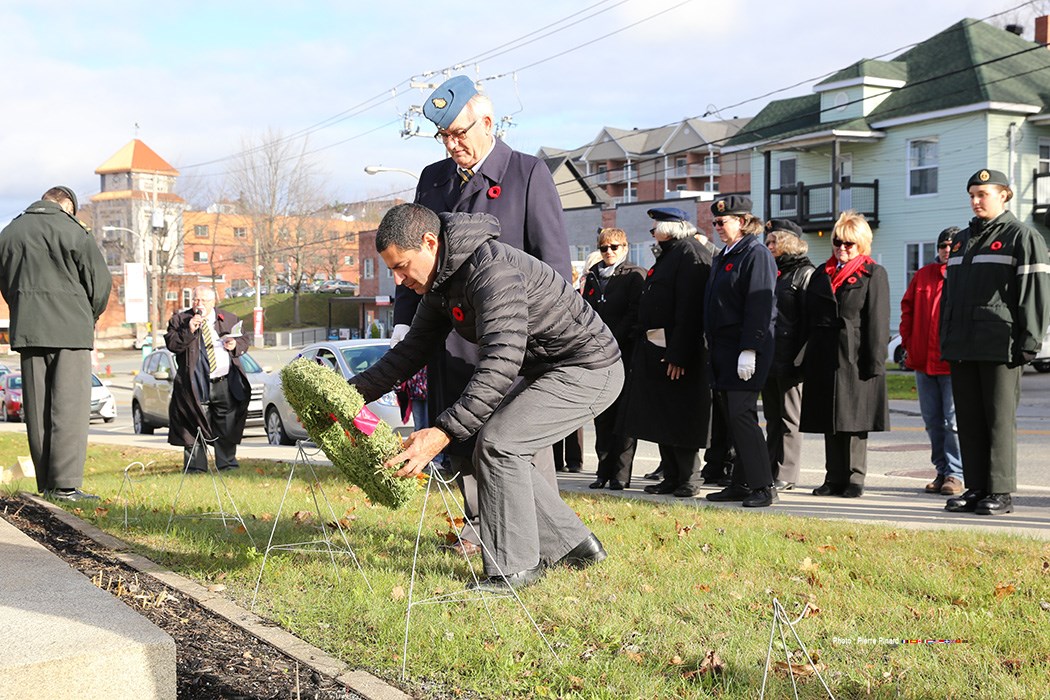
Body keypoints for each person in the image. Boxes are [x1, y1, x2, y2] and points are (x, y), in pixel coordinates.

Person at [349, 204, 621, 592]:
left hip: (591, 368)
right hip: (551, 370)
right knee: (493, 445)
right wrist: (348, 395)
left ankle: (516, 569)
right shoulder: (444, 283)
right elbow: (410, 352)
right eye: (392, 269)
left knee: (500, 444)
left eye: (402, 266)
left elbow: (500, 363)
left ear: (430, 242)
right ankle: (575, 545)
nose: (398, 278)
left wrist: (440, 433)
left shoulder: (491, 272)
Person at [393, 75, 571, 556]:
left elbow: (554, 265)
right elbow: (414, 253)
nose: (453, 145)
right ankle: (481, 528)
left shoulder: (528, 174)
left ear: (488, 122)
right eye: (444, 137)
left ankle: (545, 536)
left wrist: (540, 338)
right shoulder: (433, 179)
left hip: (511, 339)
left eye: (460, 133)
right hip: (451, 336)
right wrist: (404, 324)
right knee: (464, 437)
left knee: (517, 441)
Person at [941, 169, 1050, 516]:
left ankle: (1000, 491)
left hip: (999, 343)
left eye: (982, 194)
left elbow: (1035, 294)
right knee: (969, 419)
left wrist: (1030, 339)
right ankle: (976, 487)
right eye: (972, 194)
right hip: (963, 344)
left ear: (1004, 195)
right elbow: (950, 297)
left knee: (998, 419)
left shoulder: (1023, 236)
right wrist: (947, 337)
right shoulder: (960, 240)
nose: (975, 201)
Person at [0, 186, 111, 501]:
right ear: (67, 206)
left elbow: (6, 282)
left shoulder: (10, 232)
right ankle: (65, 485)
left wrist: (23, 306)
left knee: (37, 409)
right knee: (69, 407)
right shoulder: (73, 230)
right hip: (71, 331)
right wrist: (87, 315)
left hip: (28, 330)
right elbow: (100, 282)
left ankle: (46, 483)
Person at [620, 208, 711, 498]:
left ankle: (688, 478)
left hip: (676, 349)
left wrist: (678, 354)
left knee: (679, 416)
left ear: (671, 229)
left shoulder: (689, 253)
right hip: (656, 347)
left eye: (654, 228)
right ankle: (671, 476)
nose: (652, 233)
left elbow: (690, 309)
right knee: (663, 415)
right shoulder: (671, 253)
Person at [800, 211, 890, 498]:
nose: (842, 248)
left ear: (861, 244)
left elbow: (877, 320)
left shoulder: (872, 273)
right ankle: (833, 477)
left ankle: (854, 478)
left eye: (849, 244)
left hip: (856, 357)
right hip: (825, 355)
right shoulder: (821, 273)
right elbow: (808, 316)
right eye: (838, 242)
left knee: (854, 422)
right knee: (831, 420)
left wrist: (874, 362)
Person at [703, 196, 779, 508]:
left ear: (743, 221)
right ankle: (740, 481)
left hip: (743, 351)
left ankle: (763, 486)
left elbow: (759, 306)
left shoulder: (756, 253)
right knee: (732, 419)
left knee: (742, 415)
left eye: (723, 222)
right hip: (722, 351)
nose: (718, 227)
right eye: (716, 223)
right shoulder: (726, 254)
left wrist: (750, 348)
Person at [900, 226, 964, 496]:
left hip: (951, 364)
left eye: (952, 246)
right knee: (932, 420)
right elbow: (908, 310)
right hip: (923, 361)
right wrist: (908, 343)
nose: (947, 250)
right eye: (943, 246)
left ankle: (955, 473)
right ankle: (941, 470)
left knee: (952, 422)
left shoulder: (965, 275)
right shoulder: (923, 275)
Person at [581, 228, 645, 490]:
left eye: (614, 247)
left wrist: (612, 338)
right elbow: (585, 310)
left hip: (624, 352)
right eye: (604, 248)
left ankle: (620, 474)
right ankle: (602, 470)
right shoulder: (595, 274)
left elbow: (635, 313)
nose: (609, 252)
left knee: (624, 417)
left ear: (625, 248)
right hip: (598, 356)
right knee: (602, 416)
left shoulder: (633, 275)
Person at [164, 286, 251, 472]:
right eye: (196, 300)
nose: (199, 304)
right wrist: (189, 330)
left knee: (226, 424)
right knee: (193, 424)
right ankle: (196, 468)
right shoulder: (180, 320)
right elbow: (172, 344)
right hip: (195, 384)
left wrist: (235, 344)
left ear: (214, 302)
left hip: (224, 381)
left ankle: (227, 464)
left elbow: (245, 340)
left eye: (204, 300)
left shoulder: (229, 318)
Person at [761, 219, 815, 491]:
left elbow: (809, 322)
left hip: (792, 356)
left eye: (773, 242)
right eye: (767, 242)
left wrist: (801, 359)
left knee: (789, 418)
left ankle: (786, 472)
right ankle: (771, 468)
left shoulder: (805, 273)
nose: (768, 246)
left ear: (788, 243)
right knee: (772, 417)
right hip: (770, 354)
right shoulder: (773, 272)